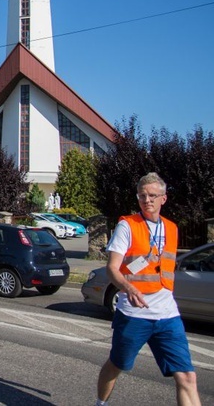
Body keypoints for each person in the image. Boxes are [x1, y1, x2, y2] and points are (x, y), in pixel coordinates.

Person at [95, 172, 200, 406]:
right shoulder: (127, 226)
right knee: (117, 365)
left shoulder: (171, 228)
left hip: (167, 313)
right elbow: (113, 268)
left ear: (164, 198)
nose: (147, 200)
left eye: (153, 195)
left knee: (187, 376)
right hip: (134, 314)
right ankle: (101, 403)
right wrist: (128, 288)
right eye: (142, 195)